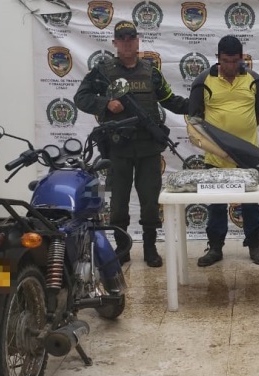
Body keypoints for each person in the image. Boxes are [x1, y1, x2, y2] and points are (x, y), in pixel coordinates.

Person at [74, 20, 188, 267]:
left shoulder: (151, 71)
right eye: (122, 39)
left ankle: (150, 248)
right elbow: (81, 98)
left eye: (131, 39)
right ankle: (122, 248)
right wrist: (106, 104)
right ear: (115, 43)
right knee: (117, 203)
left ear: (137, 41)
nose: (127, 44)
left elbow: (170, 100)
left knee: (150, 201)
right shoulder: (103, 72)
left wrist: (196, 105)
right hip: (118, 149)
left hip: (148, 148)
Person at [188, 35, 259, 267]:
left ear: (242, 58)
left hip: (248, 156)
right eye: (225, 61)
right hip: (216, 157)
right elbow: (195, 117)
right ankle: (215, 248)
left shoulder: (254, 80)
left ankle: (255, 246)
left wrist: (241, 133)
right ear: (218, 58)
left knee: (251, 204)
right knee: (216, 204)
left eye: (235, 61)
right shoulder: (203, 81)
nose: (231, 66)